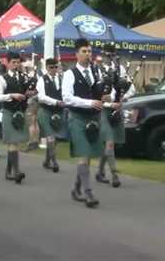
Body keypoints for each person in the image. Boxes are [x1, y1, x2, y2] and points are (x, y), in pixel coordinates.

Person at [62, 38, 104, 208]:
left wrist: (106, 98)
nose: (88, 54)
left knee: (87, 157)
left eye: (89, 51)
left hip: (94, 118)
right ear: (76, 54)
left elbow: (101, 94)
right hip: (78, 118)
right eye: (84, 51)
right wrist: (89, 102)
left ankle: (75, 189)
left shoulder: (97, 72)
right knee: (84, 154)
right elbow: (67, 98)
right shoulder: (69, 74)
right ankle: (88, 193)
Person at [95, 44, 135, 187]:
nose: (108, 57)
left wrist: (123, 98)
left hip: (117, 110)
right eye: (106, 54)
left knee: (110, 143)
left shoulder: (121, 69)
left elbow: (132, 88)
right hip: (103, 111)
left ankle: (99, 172)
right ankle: (114, 175)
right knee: (109, 142)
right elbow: (96, 94)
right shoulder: (97, 70)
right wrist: (110, 103)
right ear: (102, 54)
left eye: (111, 54)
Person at [0, 52, 34, 184]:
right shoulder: (2, 79)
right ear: (7, 62)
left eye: (18, 62)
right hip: (8, 112)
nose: (16, 65)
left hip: (20, 112)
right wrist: (12, 95)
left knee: (15, 143)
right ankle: (16, 172)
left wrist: (29, 94)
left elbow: (26, 93)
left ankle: (8, 171)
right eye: (14, 62)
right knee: (13, 142)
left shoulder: (23, 77)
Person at [37, 58, 67, 172]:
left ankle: (46, 160)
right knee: (50, 137)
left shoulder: (61, 79)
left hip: (59, 111)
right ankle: (54, 162)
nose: (54, 70)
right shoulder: (42, 80)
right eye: (51, 67)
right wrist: (56, 102)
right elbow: (41, 97)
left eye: (56, 67)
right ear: (47, 68)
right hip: (45, 110)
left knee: (56, 139)